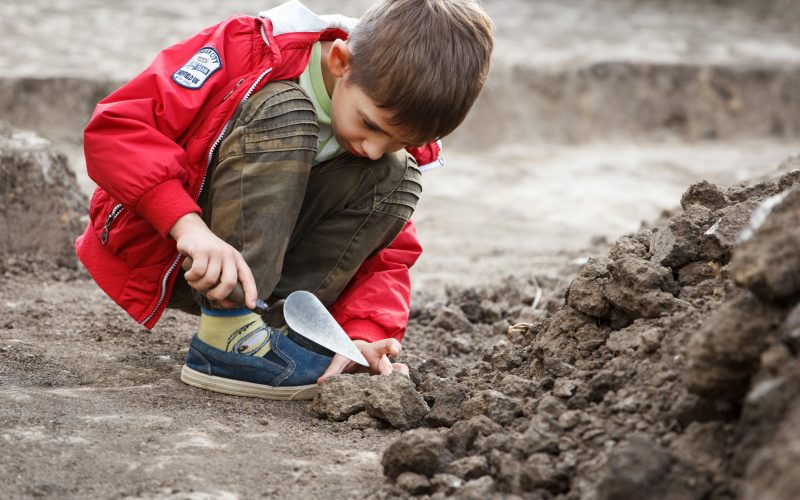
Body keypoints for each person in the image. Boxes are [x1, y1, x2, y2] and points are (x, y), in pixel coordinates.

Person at [76, 0, 493, 400]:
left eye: (397, 140)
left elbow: (386, 253)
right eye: (370, 125)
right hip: (174, 249)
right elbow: (117, 127)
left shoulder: (381, 141)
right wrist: (186, 225)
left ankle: (280, 332)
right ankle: (227, 331)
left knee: (398, 174)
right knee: (286, 111)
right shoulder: (249, 51)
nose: (372, 148)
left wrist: (362, 331)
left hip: (260, 279)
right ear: (340, 61)